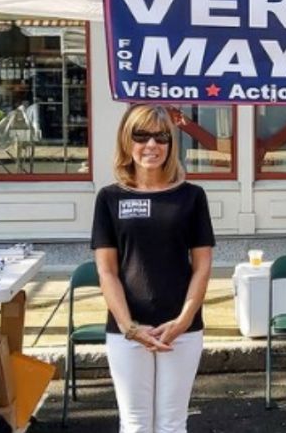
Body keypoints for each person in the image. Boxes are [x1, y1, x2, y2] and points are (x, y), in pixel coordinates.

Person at [91, 104, 215, 433]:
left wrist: (184, 320)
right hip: (128, 329)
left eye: (161, 137)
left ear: (171, 144)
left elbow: (202, 267)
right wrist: (129, 326)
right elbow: (107, 272)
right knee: (134, 424)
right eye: (141, 135)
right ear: (126, 141)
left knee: (172, 423)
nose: (151, 145)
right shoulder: (109, 199)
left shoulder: (191, 197)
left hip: (182, 329)